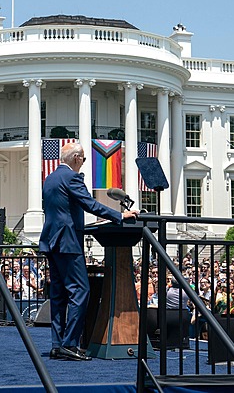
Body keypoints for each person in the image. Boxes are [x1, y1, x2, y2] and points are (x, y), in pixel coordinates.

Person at [39, 142, 138, 361]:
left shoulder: (50, 178)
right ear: (76, 158)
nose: (83, 163)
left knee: (58, 295)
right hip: (68, 242)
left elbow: (64, 209)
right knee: (80, 291)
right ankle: (70, 344)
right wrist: (120, 216)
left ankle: (57, 344)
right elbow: (89, 204)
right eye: (83, 159)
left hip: (52, 242)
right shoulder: (72, 178)